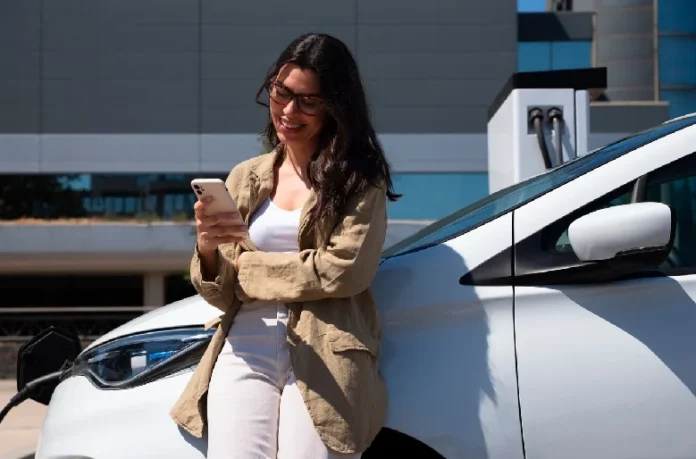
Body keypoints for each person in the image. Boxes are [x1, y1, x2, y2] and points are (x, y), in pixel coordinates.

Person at [169, 33, 401, 459]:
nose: (289, 111)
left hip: (327, 350)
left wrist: (248, 272)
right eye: (281, 93)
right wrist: (206, 250)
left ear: (336, 106)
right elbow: (222, 294)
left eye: (309, 101)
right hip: (246, 345)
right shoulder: (245, 176)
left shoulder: (359, 181)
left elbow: (344, 270)